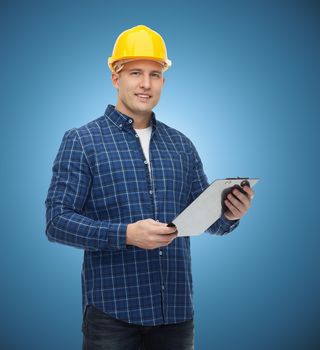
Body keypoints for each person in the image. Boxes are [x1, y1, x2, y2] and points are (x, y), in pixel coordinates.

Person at [45, 24, 254, 350]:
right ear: (116, 77)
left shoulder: (181, 145)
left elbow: (208, 220)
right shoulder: (82, 141)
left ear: (163, 81)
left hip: (175, 315)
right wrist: (126, 234)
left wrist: (230, 213)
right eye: (135, 73)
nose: (146, 84)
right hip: (112, 315)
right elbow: (57, 222)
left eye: (155, 74)